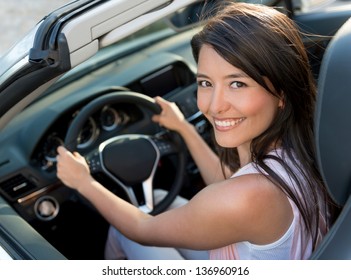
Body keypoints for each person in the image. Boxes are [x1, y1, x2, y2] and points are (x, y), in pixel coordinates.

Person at [56, 2, 337, 260]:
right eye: (205, 83)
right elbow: (227, 182)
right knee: (156, 201)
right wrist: (183, 129)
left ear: (281, 93)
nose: (214, 106)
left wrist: (84, 183)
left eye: (237, 84)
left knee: (125, 227)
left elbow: (143, 229)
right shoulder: (300, 151)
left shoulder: (249, 197)